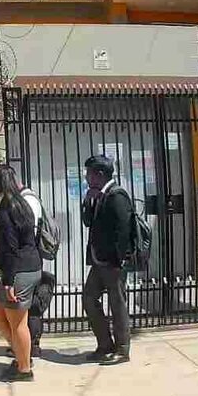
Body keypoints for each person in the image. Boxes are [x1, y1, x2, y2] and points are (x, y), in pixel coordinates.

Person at [0, 163, 42, 382]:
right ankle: (22, 355)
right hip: (25, 268)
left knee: (18, 322)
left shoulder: (8, 208)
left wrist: (9, 282)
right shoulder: (20, 202)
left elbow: (10, 247)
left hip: (19, 272)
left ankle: (24, 369)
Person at [81, 154, 133, 365]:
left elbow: (123, 231)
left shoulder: (117, 195)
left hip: (112, 262)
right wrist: (87, 202)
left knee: (117, 304)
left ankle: (122, 349)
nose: (86, 178)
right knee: (89, 298)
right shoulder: (98, 194)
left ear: (99, 174)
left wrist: (118, 261)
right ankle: (105, 344)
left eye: (89, 174)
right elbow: (88, 222)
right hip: (98, 260)